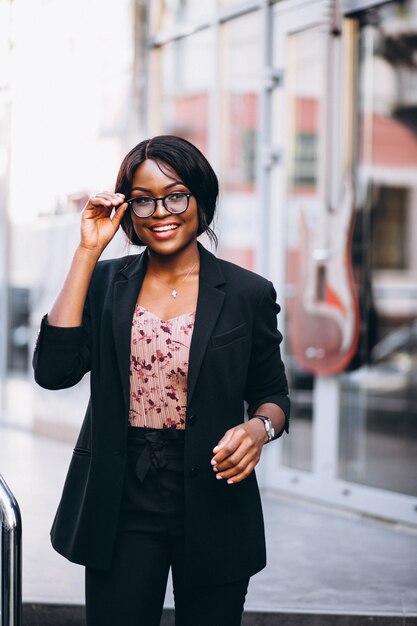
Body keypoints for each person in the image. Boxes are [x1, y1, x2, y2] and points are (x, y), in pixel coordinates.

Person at [33, 135, 290, 626]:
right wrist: (88, 252)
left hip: (215, 494)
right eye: (144, 199)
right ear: (128, 208)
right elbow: (53, 372)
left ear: (200, 198)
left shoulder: (246, 293)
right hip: (120, 497)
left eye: (175, 195)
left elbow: (272, 396)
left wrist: (259, 430)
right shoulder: (106, 283)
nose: (160, 212)